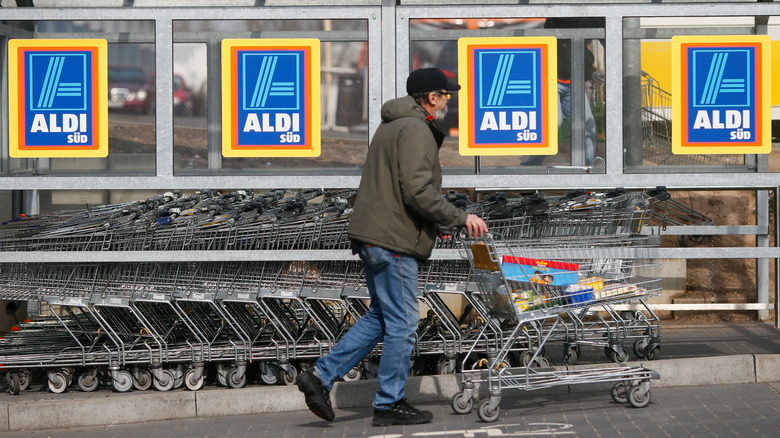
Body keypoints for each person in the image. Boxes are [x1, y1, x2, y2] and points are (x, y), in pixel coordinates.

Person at [295, 68, 488, 426]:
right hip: (393, 241)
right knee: (403, 322)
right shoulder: (416, 129)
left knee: (382, 317)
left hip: (378, 236)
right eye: (446, 95)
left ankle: (320, 376)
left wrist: (433, 224)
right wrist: (460, 218)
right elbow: (417, 190)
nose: (449, 101)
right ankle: (389, 402)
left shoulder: (394, 124)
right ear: (432, 97)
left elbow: (400, 191)